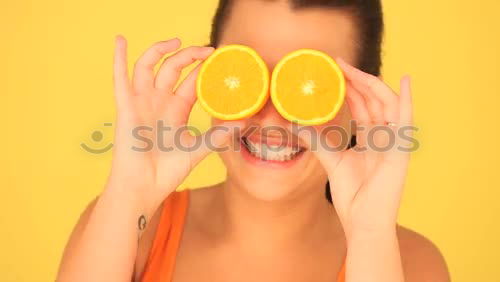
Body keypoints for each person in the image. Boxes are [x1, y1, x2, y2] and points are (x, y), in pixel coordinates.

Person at [57, 0, 450, 281]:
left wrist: (369, 238)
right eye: (250, 73)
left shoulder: (412, 264)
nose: (273, 116)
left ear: (362, 103)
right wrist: (127, 196)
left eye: (307, 83)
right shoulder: (127, 228)